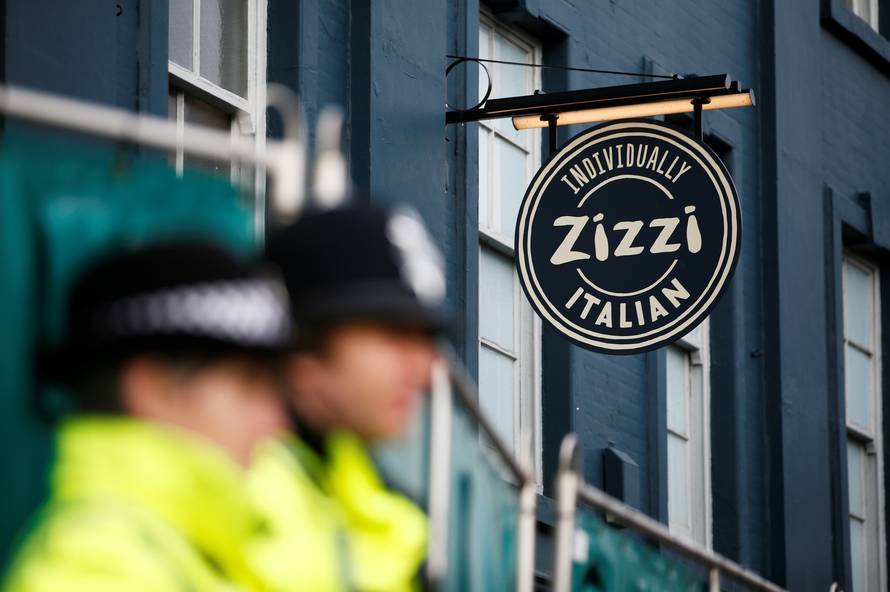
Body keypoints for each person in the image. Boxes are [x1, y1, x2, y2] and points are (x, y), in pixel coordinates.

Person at [3, 239, 294, 592]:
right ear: (152, 389)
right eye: (250, 385)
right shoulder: (100, 568)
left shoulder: (169, 550)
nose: (278, 423)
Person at [248, 201, 447, 591]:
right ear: (301, 342)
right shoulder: (220, 486)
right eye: (394, 334)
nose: (424, 370)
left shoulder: (384, 509)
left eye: (425, 338)